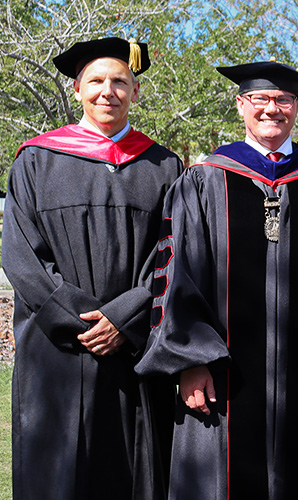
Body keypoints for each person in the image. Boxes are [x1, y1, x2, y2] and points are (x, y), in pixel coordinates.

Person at [135, 60, 298, 500]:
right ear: (241, 105)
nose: (272, 108)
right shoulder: (202, 181)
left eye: (283, 100)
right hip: (221, 377)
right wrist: (191, 360)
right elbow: (178, 276)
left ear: (296, 107)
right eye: (261, 99)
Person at [3, 37, 183, 500]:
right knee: (57, 472)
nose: (109, 91)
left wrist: (124, 318)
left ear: (135, 92)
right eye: (97, 81)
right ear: (79, 89)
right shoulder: (36, 160)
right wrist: (86, 321)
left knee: (136, 470)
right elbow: (24, 257)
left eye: (120, 81)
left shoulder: (164, 167)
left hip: (135, 349)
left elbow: (175, 253)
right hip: (57, 350)